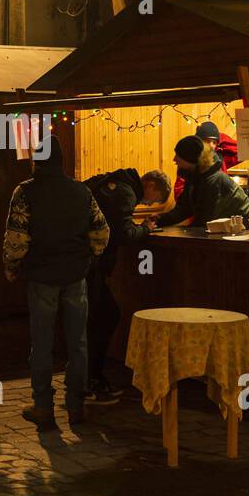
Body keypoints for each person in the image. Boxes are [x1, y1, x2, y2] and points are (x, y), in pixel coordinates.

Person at [3, 135, 110, 429]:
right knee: (78, 343)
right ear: (61, 161)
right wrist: (88, 257)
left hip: (42, 276)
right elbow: (102, 232)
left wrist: (11, 266)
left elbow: (17, 237)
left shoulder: (25, 192)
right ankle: (76, 406)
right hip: (75, 275)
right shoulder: (81, 191)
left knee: (42, 343)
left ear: (37, 161)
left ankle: (43, 408)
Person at [84, 167, 170, 404]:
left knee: (98, 318)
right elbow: (122, 234)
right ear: (150, 186)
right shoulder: (126, 193)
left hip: (86, 262)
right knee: (104, 317)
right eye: (157, 198)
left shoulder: (115, 185)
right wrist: (145, 229)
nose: (150, 202)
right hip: (92, 264)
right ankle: (90, 381)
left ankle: (88, 379)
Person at [156, 135, 249, 228]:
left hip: (239, 227)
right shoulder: (194, 176)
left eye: (178, 155)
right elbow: (183, 209)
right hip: (225, 227)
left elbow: (205, 220)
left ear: (190, 159)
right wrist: (158, 220)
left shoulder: (214, 180)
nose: (174, 159)